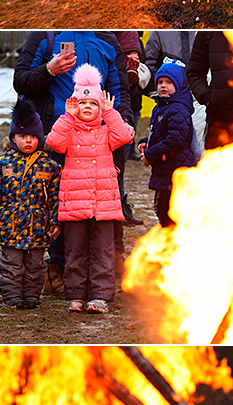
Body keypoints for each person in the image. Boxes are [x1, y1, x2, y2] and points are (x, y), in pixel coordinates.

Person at [46, 63, 133, 311]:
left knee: (103, 252)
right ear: (75, 105)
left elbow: (125, 136)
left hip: (103, 203)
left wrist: (110, 112)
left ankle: (100, 296)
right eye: (82, 103)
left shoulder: (107, 131)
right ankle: (75, 294)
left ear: (99, 107)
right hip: (75, 203)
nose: (87, 107)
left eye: (93, 103)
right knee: (75, 251)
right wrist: (67, 116)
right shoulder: (69, 129)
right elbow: (53, 142)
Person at [0, 97, 61, 308]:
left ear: (40, 137)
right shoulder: (2, 163)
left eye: (32, 137)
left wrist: (56, 221)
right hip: (10, 226)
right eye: (22, 136)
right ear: (13, 137)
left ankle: (32, 296)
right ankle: (13, 296)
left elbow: (56, 197)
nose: (27, 141)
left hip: (38, 227)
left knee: (35, 265)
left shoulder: (49, 165)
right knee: (11, 265)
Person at [138, 58, 198, 227]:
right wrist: (146, 143)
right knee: (162, 209)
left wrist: (150, 155)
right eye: (160, 82)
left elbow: (175, 140)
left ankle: (174, 244)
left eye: (169, 82)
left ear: (177, 85)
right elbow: (159, 133)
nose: (163, 86)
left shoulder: (178, 108)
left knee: (168, 211)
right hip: (164, 169)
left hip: (175, 169)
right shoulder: (162, 106)